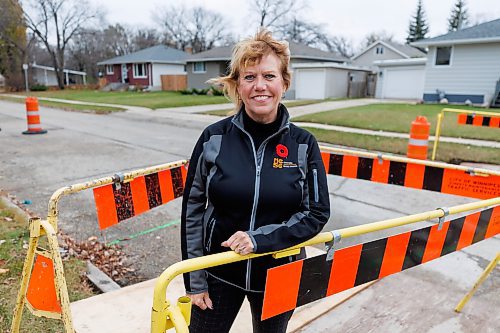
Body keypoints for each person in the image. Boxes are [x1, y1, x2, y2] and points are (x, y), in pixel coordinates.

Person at [181, 29, 330, 333]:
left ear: (284, 83)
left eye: (269, 76)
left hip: (279, 278)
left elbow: (317, 213)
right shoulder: (214, 137)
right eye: (249, 77)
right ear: (237, 85)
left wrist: (259, 239)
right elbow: (192, 210)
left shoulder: (303, 144)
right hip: (218, 272)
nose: (260, 86)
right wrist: (194, 281)